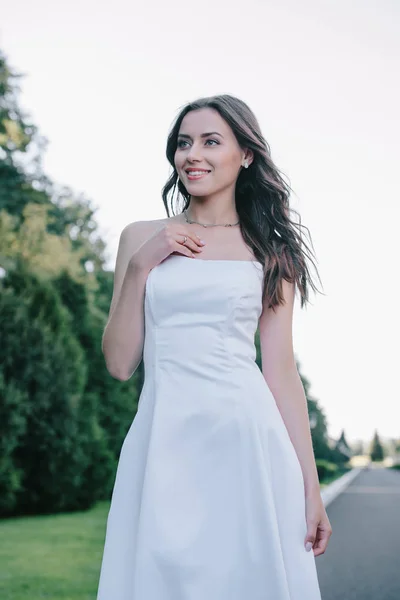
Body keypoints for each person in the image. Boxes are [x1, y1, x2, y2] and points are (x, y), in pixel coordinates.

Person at [96, 94, 332, 600]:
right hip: (161, 440)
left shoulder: (271, 250)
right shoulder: (139, 237)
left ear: (245, 155)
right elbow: (119, 364)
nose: (192, 155)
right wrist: (143, 265)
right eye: (184, 143)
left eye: (210, 142)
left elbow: (280, 372)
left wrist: (311, 487)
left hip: (247, 442)